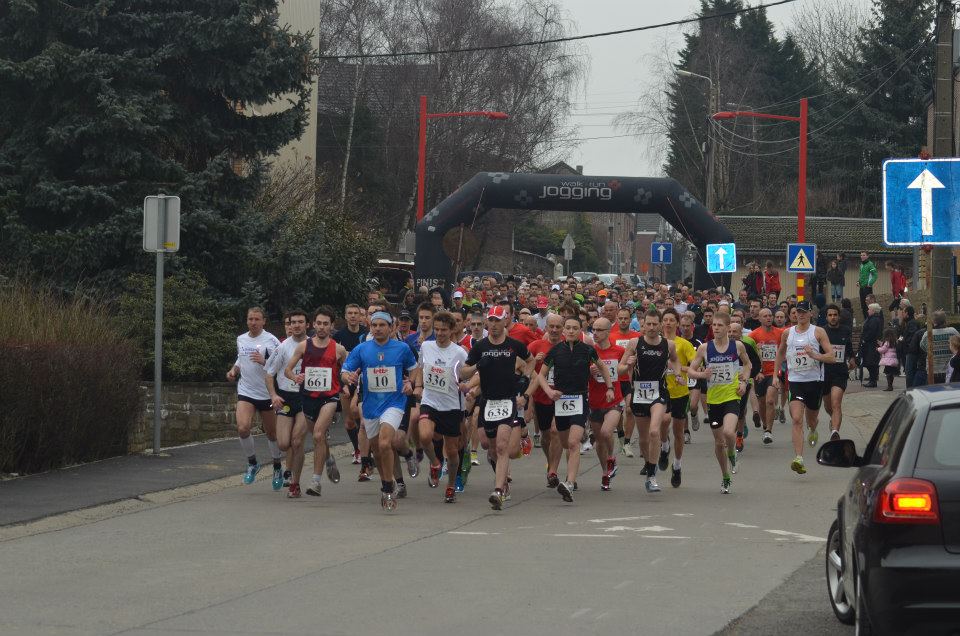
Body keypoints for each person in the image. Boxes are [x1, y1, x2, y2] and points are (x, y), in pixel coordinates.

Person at [340, 311, 418, 511]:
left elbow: (414, 367)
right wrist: (348, 377)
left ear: (391, 327)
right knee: (377, 449)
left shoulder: (402, 348)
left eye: (382, 325)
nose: (378, 329)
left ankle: (389, 487)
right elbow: (345, 370)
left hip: (394, 403)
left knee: (385, 442)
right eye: (374, 325)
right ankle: (387, 482)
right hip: (371, 405)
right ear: (370, 327)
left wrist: (412, 383)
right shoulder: (362, 349)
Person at [459, 305, 534, 511]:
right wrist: (477, 366)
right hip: (487, 402)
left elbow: (531, 360)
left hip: (507, 401)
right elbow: (464, 373)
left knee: (502, 446)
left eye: (497, 320)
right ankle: (503, 482)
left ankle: (498, 490)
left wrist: (524, 380)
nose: (493, 324)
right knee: (487, 446)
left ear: (505, 321)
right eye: (490, 320)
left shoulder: (514, 345)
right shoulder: (480, 346)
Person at [536, 316, 616, 502]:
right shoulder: (555, 351)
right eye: (568, 328)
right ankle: (560, 473)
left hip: (580, 399)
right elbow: (541, 375)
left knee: (573, 443)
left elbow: (603, 368)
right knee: (564, 441)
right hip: (561, 401)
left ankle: (570, 483)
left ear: (581, 330)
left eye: (575, 328)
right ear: (564, 331)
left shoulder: (588, 350)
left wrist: (610, 388)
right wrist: (549, 391)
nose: (571, 331)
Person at [284, 307, 347, 497]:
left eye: (325, 324)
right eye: (318, 323)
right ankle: (327, 458)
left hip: (329, 397)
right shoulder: (304, 346)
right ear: (313, 324)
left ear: (332, 326)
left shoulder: (339, 349)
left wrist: (346, 382)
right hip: (308, 397)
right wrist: (295, 378)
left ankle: (315, 482)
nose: (321, 327)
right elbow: (288, 369)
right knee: (312, 437)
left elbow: (345, 372)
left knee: (319, 435)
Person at [686, 312, 752, 493]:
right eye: (713, 325)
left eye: (720, 325)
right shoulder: (705, 349)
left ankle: (732, 454)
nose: (716, 328)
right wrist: (702, 375)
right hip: (713, 400)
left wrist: (744, 382)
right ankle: (725, 476)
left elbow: (748, 365)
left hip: (732, 396)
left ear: (727, 327)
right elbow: (691, 371)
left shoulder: (737, 346)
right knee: (718, 443)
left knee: (729, 432)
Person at [623, 309, 683, 493]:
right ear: (643, 325)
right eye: (647, 324)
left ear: (660, 325)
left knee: (655, 432)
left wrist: (679, 373)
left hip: (659, 393)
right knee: (643, 439)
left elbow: (675, 361)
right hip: (640, 394)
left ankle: (652, 475)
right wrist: (628, 364)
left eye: (654, 324)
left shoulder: (669, 344)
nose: (650, 327)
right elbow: (619, 369)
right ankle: (650, 465)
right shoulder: (634, 343)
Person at [773, 301, 835, 476]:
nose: (799, 315)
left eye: (803, 312)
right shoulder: (788, 333)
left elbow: (831, 357)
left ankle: (813, 429)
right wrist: (775, 376)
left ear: (810, 314)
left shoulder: (818, 332)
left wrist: (814, 355)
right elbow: (780, 353)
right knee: (797, 419)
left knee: (812, 419)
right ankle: (799, 458)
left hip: (815, 381)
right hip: (795, 382)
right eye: (797, 312)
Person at [414, 311, 469, 503]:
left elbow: (469, 374)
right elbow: (420, 367)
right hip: (430, 401)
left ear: (452, 330)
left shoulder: (459, 352)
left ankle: (451, 485)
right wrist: (419, 386)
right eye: (436, 329)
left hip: (452, 406)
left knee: (452, 451)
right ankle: (435, 464)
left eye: (443, 330)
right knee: (424, 436)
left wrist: (467, 385)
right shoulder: (426, 346)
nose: (439, 333)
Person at [226, 307, 283, 488]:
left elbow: (279, 364)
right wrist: (234, 370)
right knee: (243, 428)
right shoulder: (241, 339)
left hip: (267, 393)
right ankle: (252, 463)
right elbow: (240, 359)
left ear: (264, 321)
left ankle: (277, 466)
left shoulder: (271, 340)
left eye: (257, 319)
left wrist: (264, 361)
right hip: (246, 391)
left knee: (272, 434)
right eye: (250, 319)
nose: (253, 322)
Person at [266, 309, 310, 497]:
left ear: (307, 324)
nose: (296, 325)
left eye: (301, 321)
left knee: (297, 440)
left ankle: (295, 483)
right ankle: (291, 467)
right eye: (293, 322)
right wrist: (273, 395)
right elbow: (269, 373)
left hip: (306, 398)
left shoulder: (314, 345)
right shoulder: (283, 347)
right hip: (285, 397)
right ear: (289, 325)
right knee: (284, 443)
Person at [585, 317, 628, 491]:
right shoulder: (588, 352)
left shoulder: (618, 351)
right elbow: (581, 375)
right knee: (599, 441)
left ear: (608, 332)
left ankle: (611, 457)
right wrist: (589, 371)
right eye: (593, 329)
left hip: (614, 400)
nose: (595, 333)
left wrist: (627, 366)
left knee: (605, 432)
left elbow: (623, 373)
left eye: (599, 330)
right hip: (595, 402)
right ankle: (605, 473)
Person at [659, 309, 696, 488]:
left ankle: (677, 465)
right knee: (663, 422)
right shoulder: (656, 342)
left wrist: (680, 369)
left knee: (678, 432)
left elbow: (694, 364)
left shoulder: (684, 344)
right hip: (661, 391)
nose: (667, 323)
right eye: (665, 320)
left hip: (680, 392)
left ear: (677, 323)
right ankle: (665, 447)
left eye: (671, 320)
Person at [333, 304, 367, 464]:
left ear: (361, 316)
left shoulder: (366, 335)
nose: (353, 316)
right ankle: (357, 449)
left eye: (356, 313)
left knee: (362, 416)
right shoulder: (338, 336)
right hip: (345, 380)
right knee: (349, 420)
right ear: (345, 316)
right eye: (350, 313)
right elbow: (333, 362)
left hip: (364, 380)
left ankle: (367, 448)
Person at [821, 304, 855, 441]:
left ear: (839, 316)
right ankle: (833, 419)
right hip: (824, 373)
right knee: (828, 406)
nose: (833, 317)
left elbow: (849, 347)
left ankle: (835, 431)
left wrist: (852, 358)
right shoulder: (821, 332)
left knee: (836, 403)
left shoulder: (845, 330)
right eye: (830, 315)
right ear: (826, 317)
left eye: (835, 315)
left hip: (840, 372)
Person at [749, 308, 783, 444]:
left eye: (770, 316)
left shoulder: (780, 333)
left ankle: (768, 431)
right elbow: (749, 356)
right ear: (759, 318)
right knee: (762, 402)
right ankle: (765, 424)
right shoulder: (753, 335)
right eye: (765, 316)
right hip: (760, 374)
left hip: (774, 373)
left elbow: (784, 351)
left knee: (770, 400)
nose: (769, 318)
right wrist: (756, 371)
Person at [919, 310, 960, 384]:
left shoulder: (927, 334)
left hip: (932, 371)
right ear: (945, 321)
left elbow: (923, 347)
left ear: (934, 322)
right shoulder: (953, 332)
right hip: (950, 370)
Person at [859, 303, 883, 388]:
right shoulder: (874, 319)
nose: (867, 310)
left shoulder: (874, 320)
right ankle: (872, 380)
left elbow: (871, 332)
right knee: (870, 363)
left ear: (873, 310)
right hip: (871, 344)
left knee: (871, 363)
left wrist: (865, 339)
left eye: (869, 309)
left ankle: (873, 381)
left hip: (871, 345)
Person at [857, 252, 878, 318]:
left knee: (869, 305)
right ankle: (866, 320)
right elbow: (861, 276)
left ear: (867, 256)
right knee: (863, 305)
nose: (862, 256)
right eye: (861, 255)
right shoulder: (861, 265)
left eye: (864, 255)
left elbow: (875, 275)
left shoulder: (870, 264)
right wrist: (858, 281)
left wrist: (870, 283)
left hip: (867, 288)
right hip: (862, 287)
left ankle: (872, 319)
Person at [878, 327, 899, 392]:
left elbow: (884, 349)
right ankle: (891, 385)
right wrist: (881, 344)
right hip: (893, 360)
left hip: (888, 361)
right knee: (891, 373)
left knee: (888, 373)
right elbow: (888, 347)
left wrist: (878, 349)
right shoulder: (894, 341)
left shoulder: (887, 342)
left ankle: (889, 386)